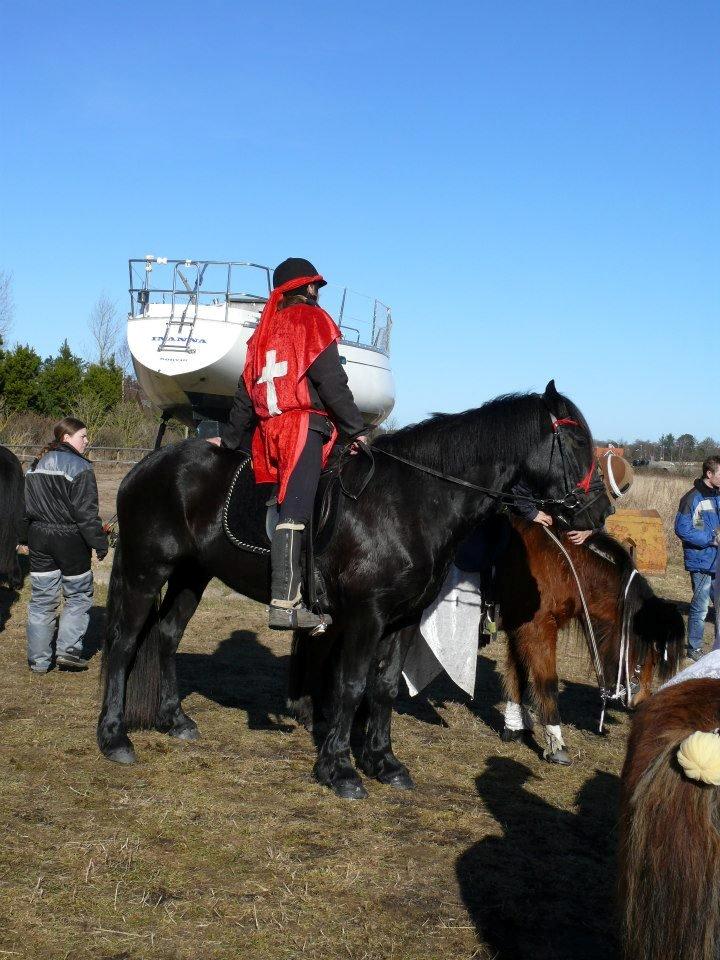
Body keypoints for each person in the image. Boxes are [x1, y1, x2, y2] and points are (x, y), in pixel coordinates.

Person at [219, 257, 367, 630]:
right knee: (296, 509)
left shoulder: (263, 331)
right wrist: (355, 428)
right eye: (315, 286)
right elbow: (332, 382)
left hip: (267, 433)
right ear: (308, 288)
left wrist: (231, 439)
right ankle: (284, 602)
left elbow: (244, 393)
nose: (318, 293)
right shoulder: (312, 321)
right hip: (302, 428)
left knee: (282, 504)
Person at [24, 417, 108, 672]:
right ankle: (68, 652)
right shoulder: (81, 467)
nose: (86, 441)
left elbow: (23, 507)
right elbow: (86, 514)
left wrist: (22, 539)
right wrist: (100, 543)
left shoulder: (34, 465)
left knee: (41, 599)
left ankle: (38, 662)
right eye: (82, 436)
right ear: (66, 438)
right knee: (78, 595)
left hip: (38, 537)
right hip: (70, 539)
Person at [674, 455, 720, 661]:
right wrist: (711, 538)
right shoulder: (692, 498)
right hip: (701, 561)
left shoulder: (718, 495)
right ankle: (694, 648)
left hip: (717, 560)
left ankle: (717, 650)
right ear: (709, 474)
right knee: (701, 607)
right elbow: (682, 529)